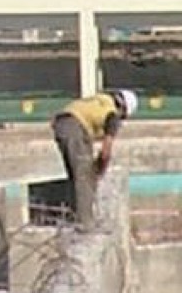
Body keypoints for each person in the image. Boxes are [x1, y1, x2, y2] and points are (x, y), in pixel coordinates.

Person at [52, 88, 136, 223]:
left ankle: (74, 216)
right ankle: (85, 223)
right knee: (85, 176)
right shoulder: (112, 115)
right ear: (123, 110)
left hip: (61, 124)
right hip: (75, 127)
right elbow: (105, 151)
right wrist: (100, 169)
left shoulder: (100, 100)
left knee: (76, 175)